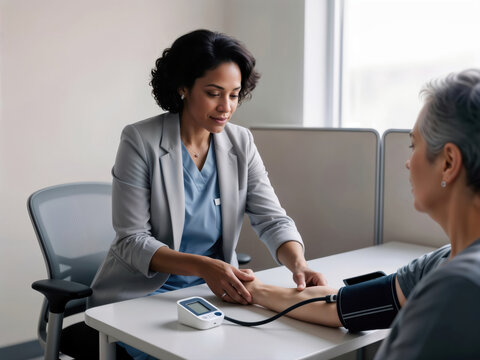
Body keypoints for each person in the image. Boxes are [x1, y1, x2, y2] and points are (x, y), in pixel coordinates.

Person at [241, 69, 480, 359]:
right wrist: (254, 289)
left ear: (448, 163)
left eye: (413, 145)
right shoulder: (442, 262)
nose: (407, 162)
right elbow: (344, 305)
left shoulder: (458, 289)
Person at [88, 29, 326, 310]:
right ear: (183, 87)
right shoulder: (141, 140)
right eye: (213, 93)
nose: (226, 107)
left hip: (216, 290)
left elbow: (272, 219)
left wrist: (298, 264)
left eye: (234, 95)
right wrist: (205, 267)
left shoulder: (241, 142)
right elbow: (132, 241)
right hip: (142, 293)